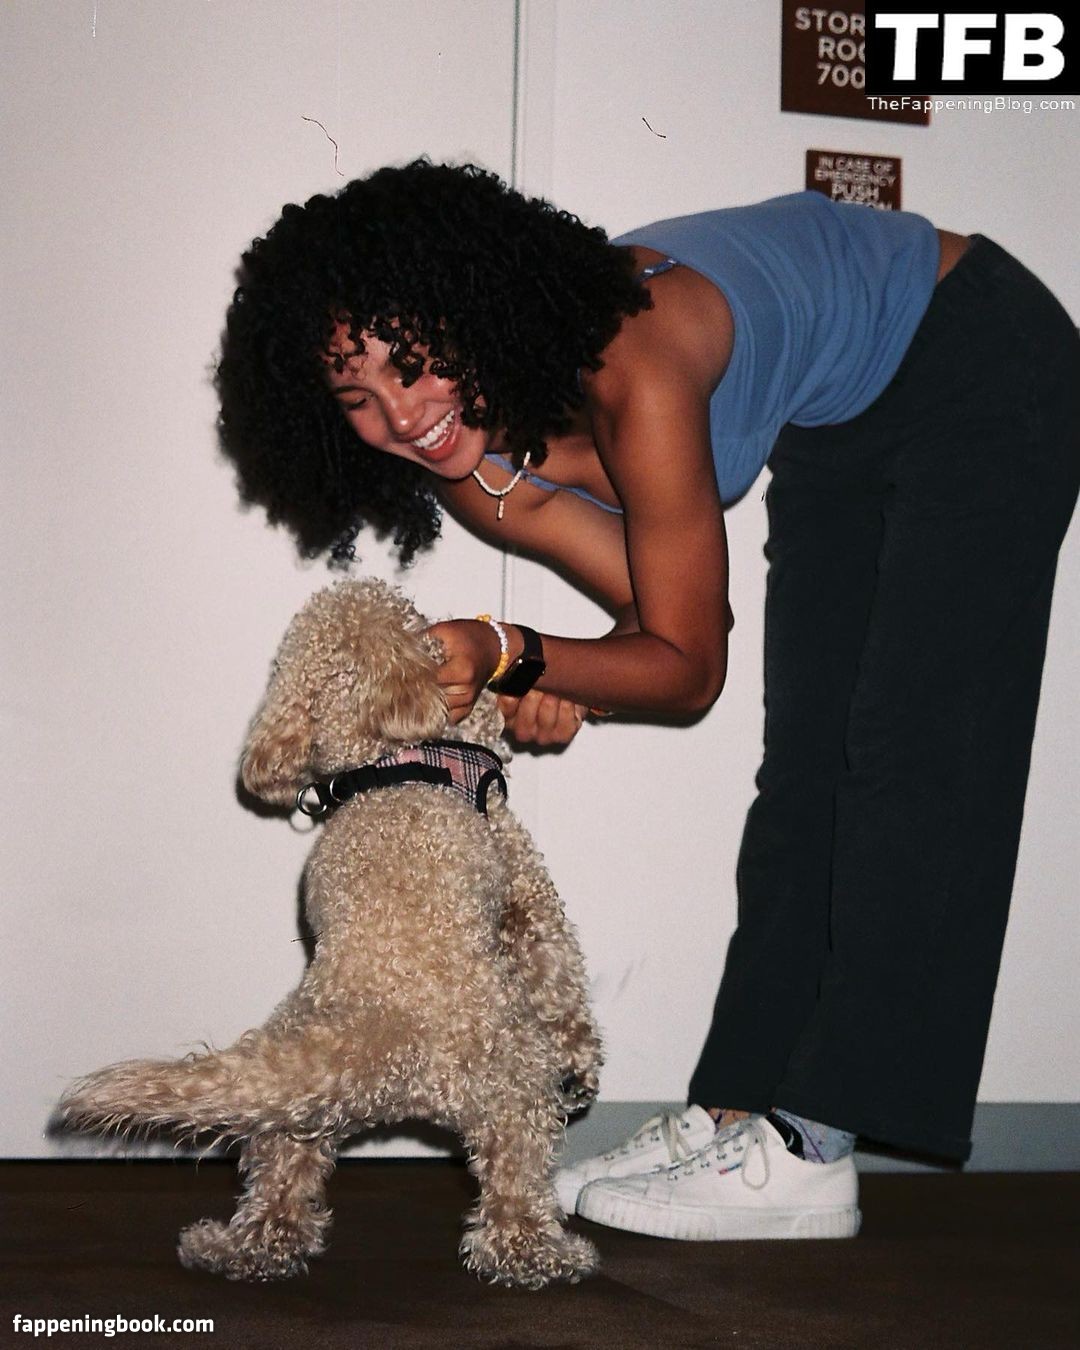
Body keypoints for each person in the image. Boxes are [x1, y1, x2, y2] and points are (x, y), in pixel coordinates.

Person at [216, 158, 1080, 1241]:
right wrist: (543, 672)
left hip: (980, 354)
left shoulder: (632, 365)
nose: (402, 415)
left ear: (466, 311)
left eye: (414, 365)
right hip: (845, 418)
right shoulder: (477, 473)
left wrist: (514, 652)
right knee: (808, 770)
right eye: (357, 397)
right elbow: (656, 623)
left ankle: (817, 1142)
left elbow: (686, 668)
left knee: (918, 754)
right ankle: (739, 1111)